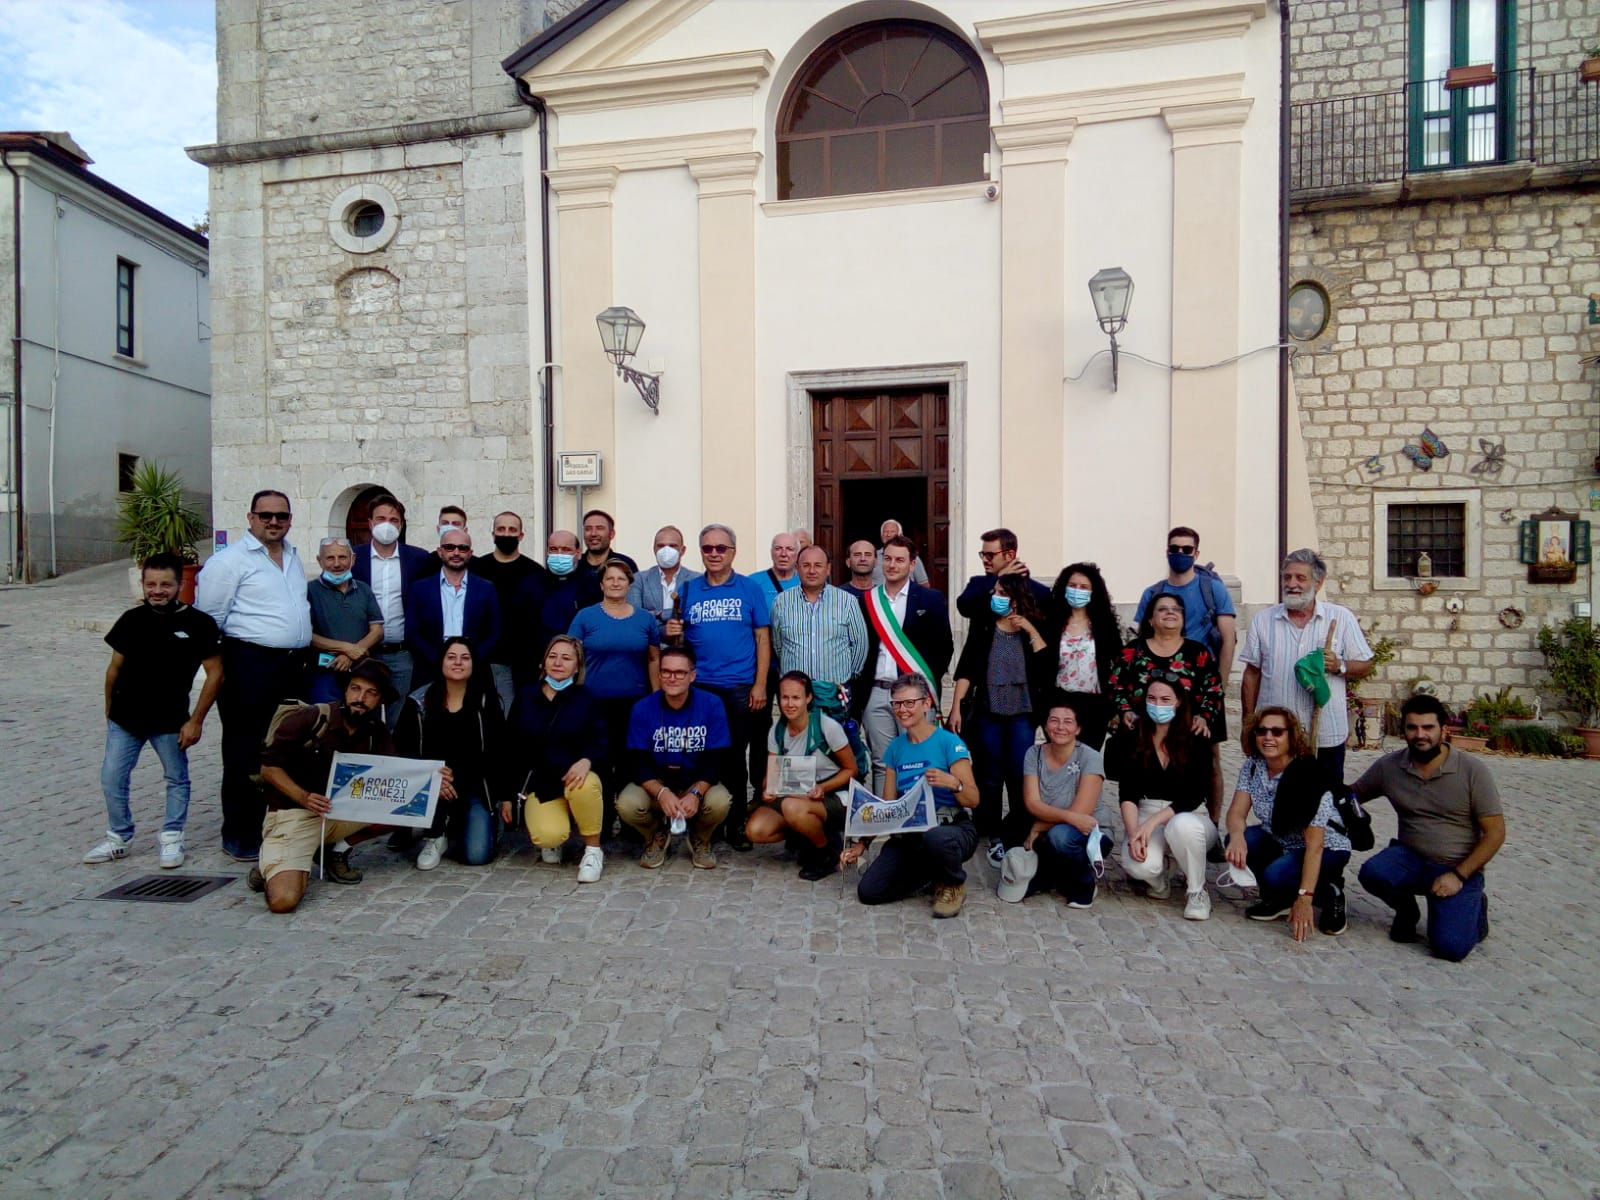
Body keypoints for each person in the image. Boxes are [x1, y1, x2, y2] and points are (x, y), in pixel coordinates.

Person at [82, 553, 222, 870]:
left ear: (180, 584)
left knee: (177, 778)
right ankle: (119, 837)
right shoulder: (131, 620)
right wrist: (110, 711)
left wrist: (196, 720)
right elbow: (113, 669)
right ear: (143, 584)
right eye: (151, 584)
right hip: (125, 719)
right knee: (112, 778)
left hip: (171, 720)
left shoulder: (199, 624)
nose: (158, 590)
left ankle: (172, 837)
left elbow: (215, 673)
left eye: (165, 584)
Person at [195, 488, 312, 861]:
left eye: (281, 516)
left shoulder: (292, 557)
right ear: (250, 518)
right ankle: (241, 833)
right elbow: (207, 621)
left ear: (290, 520)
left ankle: (279, 825)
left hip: (293, 665)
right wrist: (221, 669)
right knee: (246, 749)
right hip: (250, 664)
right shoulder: (228, 562)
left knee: (288, 746)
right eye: (266, 515)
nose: (273, 522)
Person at [1352, 694, 1505, 961]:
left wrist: (1458, 876)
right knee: (1373, 873)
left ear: (1444, 730)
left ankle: (1475, 909)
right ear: (1404, 731)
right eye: (1412, 727)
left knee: (1450, 948)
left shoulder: (1472, 771)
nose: (1420, 735)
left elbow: (1496, 833)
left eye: (1428, 727)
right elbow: (1352, 794)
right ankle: (1407, 910)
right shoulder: (1390, 767)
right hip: (1410, 858)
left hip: (1457, 868)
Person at [250, 659, 401, 912]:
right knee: (283, 901)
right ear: (345, 690)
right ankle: (276, 864)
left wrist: (435, 778)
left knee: (404, 805)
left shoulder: (376, 730)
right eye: (355, 688)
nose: (360, 698)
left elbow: (398, 777)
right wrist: (304, 797)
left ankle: (334, 850)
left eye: (371, 693)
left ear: (380, 700)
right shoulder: (311, 718)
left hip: (338, 813)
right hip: (295, 814)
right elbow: (268, 768)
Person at [667, 523, 770, 851]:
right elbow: (679, 639)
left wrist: (760, 684)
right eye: (707, 548)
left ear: (733, 552)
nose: (714, 554)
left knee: (735, 757)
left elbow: (762, 638)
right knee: (702, 752)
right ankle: (704, 820)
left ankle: (736, 821)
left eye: (720, 548)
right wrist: (672, 631)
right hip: (700, 687)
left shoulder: (749, 589)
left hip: (739, 687)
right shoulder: (687, 590)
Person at [842, 672, 979, 918]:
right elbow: (888, 808)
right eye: (897, 703)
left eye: (909, 703)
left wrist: (952, 783)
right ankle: (931, 873)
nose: (902, 710)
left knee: (936, 839)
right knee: (869, 892)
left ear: (926, 704)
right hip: (912, 834)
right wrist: (861, 844)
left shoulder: (949, 742)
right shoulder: (896, 748)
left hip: (951, 828)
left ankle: (952, 883)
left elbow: (973, 799)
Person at [1239, 548, 1373, 782]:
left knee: (1324, 808)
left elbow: (1365, 664)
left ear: (1318, 583)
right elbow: (1251, 675)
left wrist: (1339, 665)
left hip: (1325, 736)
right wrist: (1247, 724)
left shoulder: (1340, 618)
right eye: (1287, 577)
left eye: (1301, 578)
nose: (1292, 584)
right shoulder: (1263, 620)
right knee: (1275, 807)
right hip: (1275, 737)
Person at [950, 572, 1054, 867]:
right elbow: (966, 668)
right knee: (989, 773)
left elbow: (1046, 665)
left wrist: (1030, 628)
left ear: (1017, 598)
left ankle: (1018, 826)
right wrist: (957, 706)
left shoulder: (1031, 627)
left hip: (1022, 712)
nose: (995, 597)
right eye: (994, 592)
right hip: (989, 709)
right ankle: (989, 828)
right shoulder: (985, 626)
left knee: (1019, 772)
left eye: (1001, 593)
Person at [1223, 706, 1350, 940]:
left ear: (1291, 736)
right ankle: (1279, 899)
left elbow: (1315, 846)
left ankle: (1328, 893)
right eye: (1262, 731)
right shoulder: (1253, 766)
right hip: (1283, 839)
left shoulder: (1307, 774)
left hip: (1327, 847)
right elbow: (1236, 814)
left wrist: (1305, 897)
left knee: (1276, 876)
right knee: (1236, 839)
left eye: (1277, 732)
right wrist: (1238, 837)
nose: (1268, 737)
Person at [1109, 675, 1217, 920]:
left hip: (1190, 814)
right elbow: (1127, 793)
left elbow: (1194, 794)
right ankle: (1159, 882)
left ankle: (1197, 891)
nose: (1158, 704)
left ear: (1178, 701)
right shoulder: (1134, 736)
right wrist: (1134, 831)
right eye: (1152, 698)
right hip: (1147, 809)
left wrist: (1152, 823)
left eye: (1165, 699)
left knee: (1182, 826)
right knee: (1139, 864)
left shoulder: (1196, 737)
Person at [850, 535, 953, 793]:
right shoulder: (867, 601)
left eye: (899, 560)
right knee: (882, 762)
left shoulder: (930, 599)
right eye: (888, 559)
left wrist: (922, 684)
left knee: (919, 757)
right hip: (876, 692)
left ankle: (918, 823)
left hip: (915, 695)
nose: (892, 565)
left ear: (911, 564)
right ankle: (886, 822)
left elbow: (944, 647)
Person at [504, 635, 610, 883]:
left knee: (587, 786)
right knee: (548, 836)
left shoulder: (588, 699)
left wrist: (587, 760)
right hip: (542, 784)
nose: (558, 662)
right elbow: (511, 747)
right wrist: (507, 795)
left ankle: (593, 850)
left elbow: (602, 740)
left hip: (576, 777)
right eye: (552, 656)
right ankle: (557, 835)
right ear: (543, 662)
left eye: (566, 658)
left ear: (577, 666)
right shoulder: (526, 697)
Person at [618, 644, 733, 870]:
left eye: (680, 672)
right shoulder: (642, 708)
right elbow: (638, 761)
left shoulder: (712, 704)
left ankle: (700, 837)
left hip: (695, 781)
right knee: (627, 804)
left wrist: (695, 793)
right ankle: (656, 835)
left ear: (692, 675)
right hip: (657, 782)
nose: (672, 678)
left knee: (720, 802)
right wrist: (661, 793)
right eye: (666, 672)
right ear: (659, 674)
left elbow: (716, 759)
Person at [394, 637, 504, 870]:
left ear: (474, 664)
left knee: (476, 855)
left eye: (465, 658)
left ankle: (470, 822)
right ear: (441, 662)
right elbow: (403, 749)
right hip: (430, 786)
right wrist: (432, 776)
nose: (458, 663)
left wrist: (458, 778)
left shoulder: (486, 702)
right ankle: (435, 836)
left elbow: (497, 753)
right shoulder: (418, 702)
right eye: (451, 657)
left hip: (474, 784)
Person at [569, 558, 661, 831]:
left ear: (629, 584)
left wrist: (657, 696)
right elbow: (572, 655)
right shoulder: (585, 617)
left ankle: (631, 820)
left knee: (629, 761)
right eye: (610, 578)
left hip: (635, 702)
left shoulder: (645, 619)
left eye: (621, 578)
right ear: (601, 584)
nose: (615, 583)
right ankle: (602, 821)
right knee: (599, 760)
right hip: (594, 702)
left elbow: (654, 659)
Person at [752, 671, 857, 880]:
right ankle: (807, 834)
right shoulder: (777, 730)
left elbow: (851, 770)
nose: (790, 704)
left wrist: (823, 788)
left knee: (791, 807)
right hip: (798, 793)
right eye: (785, 697)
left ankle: (826, 852)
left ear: (808, 698)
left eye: (796, 698)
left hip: (834, 794)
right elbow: (771, 773)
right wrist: (768, 789)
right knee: (756, 830)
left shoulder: (827, 727)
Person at [1015, 695, 1110, 908]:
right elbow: (1032, 802)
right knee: (1016, 830)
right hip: (1055, 824)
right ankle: (1051, 876)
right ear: (1046, 725)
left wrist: (1039, 825)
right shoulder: (1034, 753)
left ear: (1078, 729)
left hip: (1089, 832)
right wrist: (1039, 824)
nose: (1060, 727)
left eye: (1068, 722)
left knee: (1060, 837)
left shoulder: (1090, 757)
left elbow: (1081, 813)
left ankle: (1085, 881)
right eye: (1054, 720)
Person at [352, 493, 431, 727]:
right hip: (364, 653)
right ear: (370, 523)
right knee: (364, 717)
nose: (387, 524)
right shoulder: (355, 558)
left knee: (399, 721)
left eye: (394, 520)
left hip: (402, 654)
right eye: (381, 518)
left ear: (401, 524)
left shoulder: (418, 559)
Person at [1110, 592, 1225, 752]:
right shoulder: (1133, 650)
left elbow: (1214, 690)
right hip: (1140, 738)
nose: (1170, 612)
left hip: (1186, 739)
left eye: (1176, 609)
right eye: (1162, 609)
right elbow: (1115, 685)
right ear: (1150, 619)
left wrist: (1204, 716)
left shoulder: (1198, 652)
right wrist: (1125, 711)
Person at [768, 544, 868, 701]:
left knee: (833, 727)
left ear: (828, 569)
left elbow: (859, 644)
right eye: (806, 565)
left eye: (818, 565)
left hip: (835, 692)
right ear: (797, 568)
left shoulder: (847, 601)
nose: (812, 571)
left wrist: (847, 676)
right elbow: (777, 645)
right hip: (794, 695)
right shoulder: (781, 602)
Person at [405, 527, 502, 687]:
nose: (456, 552)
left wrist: (471, 658)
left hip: (474, 671)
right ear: (440, 551)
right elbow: (412, 632)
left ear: (470, 553)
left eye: (462, 548)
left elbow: (494, 632)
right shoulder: (420, 588)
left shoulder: (486, 588)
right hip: (429, 670)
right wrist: (438, 658)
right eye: (449, 547)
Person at [470, 510, 545, 715]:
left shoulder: (535, 572)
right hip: (484, 659)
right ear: (493, 533)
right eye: (501, 529)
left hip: (525, 661)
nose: (506, 534)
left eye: (512, 530)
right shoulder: (477, 569)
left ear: (521, 535)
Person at [1044, 561, 1122, 752]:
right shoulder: (1051, 622)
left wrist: (1113, 706)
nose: (1077, 590)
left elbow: (1118, 663)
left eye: (1084, 587)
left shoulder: (1104, 625)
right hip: (1059, 702)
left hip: (1094, 705)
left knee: (1087, 762)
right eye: (1073, 585)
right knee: (1060, 760)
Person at [512, 529, 601, 682]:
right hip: (535, 670)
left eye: (566, 550)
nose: (559, 554)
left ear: (578, 553)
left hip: (580, 671)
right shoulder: (530, 584)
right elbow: (519, 631)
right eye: (554, 549)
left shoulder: (591, 586)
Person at [306, 537, 384, 703]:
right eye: (330, 558)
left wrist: (353, 654)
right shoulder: (309, 591)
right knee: (327, 721)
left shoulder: (364, 589)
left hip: (361, 674)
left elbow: (377, 630)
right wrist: (346, 648)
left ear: (352, 559)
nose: (336, 564)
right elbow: (306, 635)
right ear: (319, 561)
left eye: (342, 557)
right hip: (324, 674)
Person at [955, 528, 1050, 628]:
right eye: (983, 555)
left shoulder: (1039, 591)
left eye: (990, 555)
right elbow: (964, 607)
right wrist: (997, 579)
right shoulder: (978, 583)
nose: (984, 560)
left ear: (1009, 555)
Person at [627, 525, 700, 635]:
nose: (666, 550)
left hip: (685, 648)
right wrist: (663, 630)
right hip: (650, 648)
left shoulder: (696, 580)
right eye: (661, 546)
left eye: (672, 546)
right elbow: (636, 619)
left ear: (682, 550)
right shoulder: (639, 579)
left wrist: (659, 614)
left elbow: (695, 617)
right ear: (654, 549)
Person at [579, 508, 638, 586]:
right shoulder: (576, 564)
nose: (593, 534)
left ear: (611, 534)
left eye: (599, 528)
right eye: (588, 529)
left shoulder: (625, 564)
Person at [870, 518, 929, 586]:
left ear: (900, 535)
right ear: (881, 535)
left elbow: (924, 584)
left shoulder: (912, 556)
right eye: (885, 531)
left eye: (892, 532)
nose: (888, 534)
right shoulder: (873, 556)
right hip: (878, 595)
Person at [753, 531, 802, 610]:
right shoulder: (754, 581)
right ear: (771, 553)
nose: (783, 554)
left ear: (798, 554)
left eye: (789, 549)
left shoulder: (806, 582)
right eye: (778, 548)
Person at [419, 504, 470, 577]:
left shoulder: (477, 565)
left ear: (465, 530)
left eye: (455, 524)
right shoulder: (425, 563)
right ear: (438, 529)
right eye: (445, 523)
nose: (450, 527)